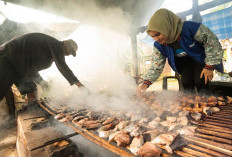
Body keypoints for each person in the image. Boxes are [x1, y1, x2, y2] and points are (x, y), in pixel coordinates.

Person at [137, 8, 224, 96]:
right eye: (153, 36)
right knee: (186, 82)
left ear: (167, 27)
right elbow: (156, 66)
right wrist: (145, 84)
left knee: (201, 81)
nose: (156, 39)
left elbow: (213, 43)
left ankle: (207, 102)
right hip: (185, 63)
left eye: (158, 34)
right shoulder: (159, 45)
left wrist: (209, 66)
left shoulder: (192, 28)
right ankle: (190, 104)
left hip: (201, 59)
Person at [0, 33, 85, 106]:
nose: (69, 54)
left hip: (19, 67)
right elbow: (62, 66)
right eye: (70, 51)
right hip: (7, 58)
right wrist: (80, 85)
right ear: (66, 45)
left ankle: (32, 109)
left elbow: (32, 70)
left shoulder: (49, 52)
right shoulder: (56, 45)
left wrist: (42, 82)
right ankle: (32, 108)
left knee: (31, 89)